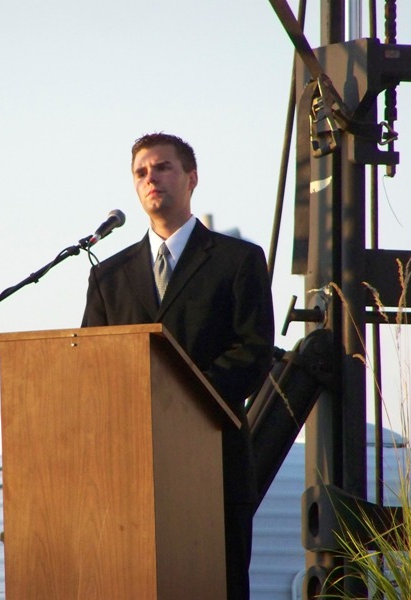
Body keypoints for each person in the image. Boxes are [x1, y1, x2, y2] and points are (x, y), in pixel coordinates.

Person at [81, 132, 275, 599]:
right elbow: (92, 364)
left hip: (212, 459)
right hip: (130, 468)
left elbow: (253, 351)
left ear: (191, 178)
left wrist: (181, 400)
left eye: (162, 167)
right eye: (141, 173)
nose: (151, 178)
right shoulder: (108, 275)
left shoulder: (237, 260)